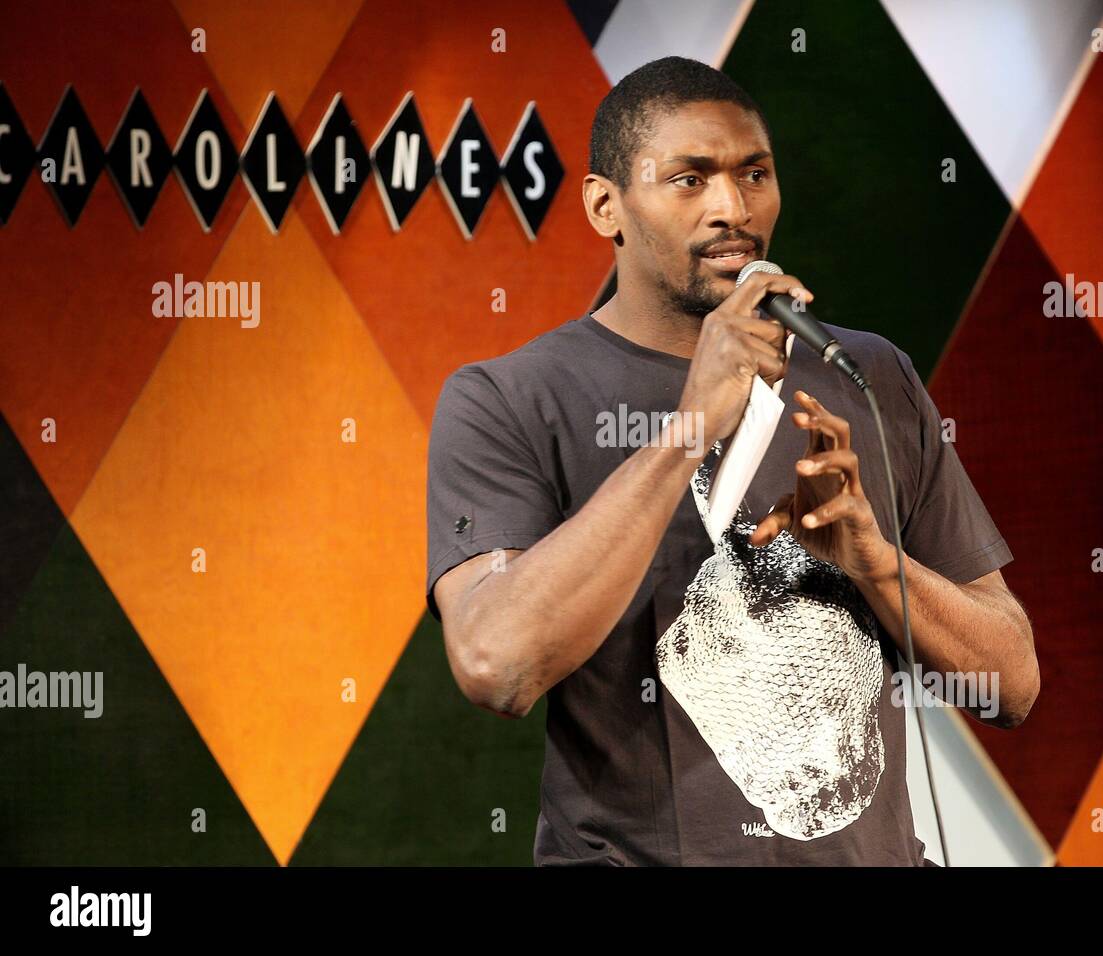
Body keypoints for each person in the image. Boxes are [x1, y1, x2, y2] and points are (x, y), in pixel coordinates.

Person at [425, 56, 1038, 866]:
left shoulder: (869, 374)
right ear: (606, 206)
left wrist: (873, 562)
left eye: (755, 173)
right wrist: (690, 427)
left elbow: (1012, 682)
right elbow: (496, 665)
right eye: (690, 179)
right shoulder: (509, 398)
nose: (733, 207)